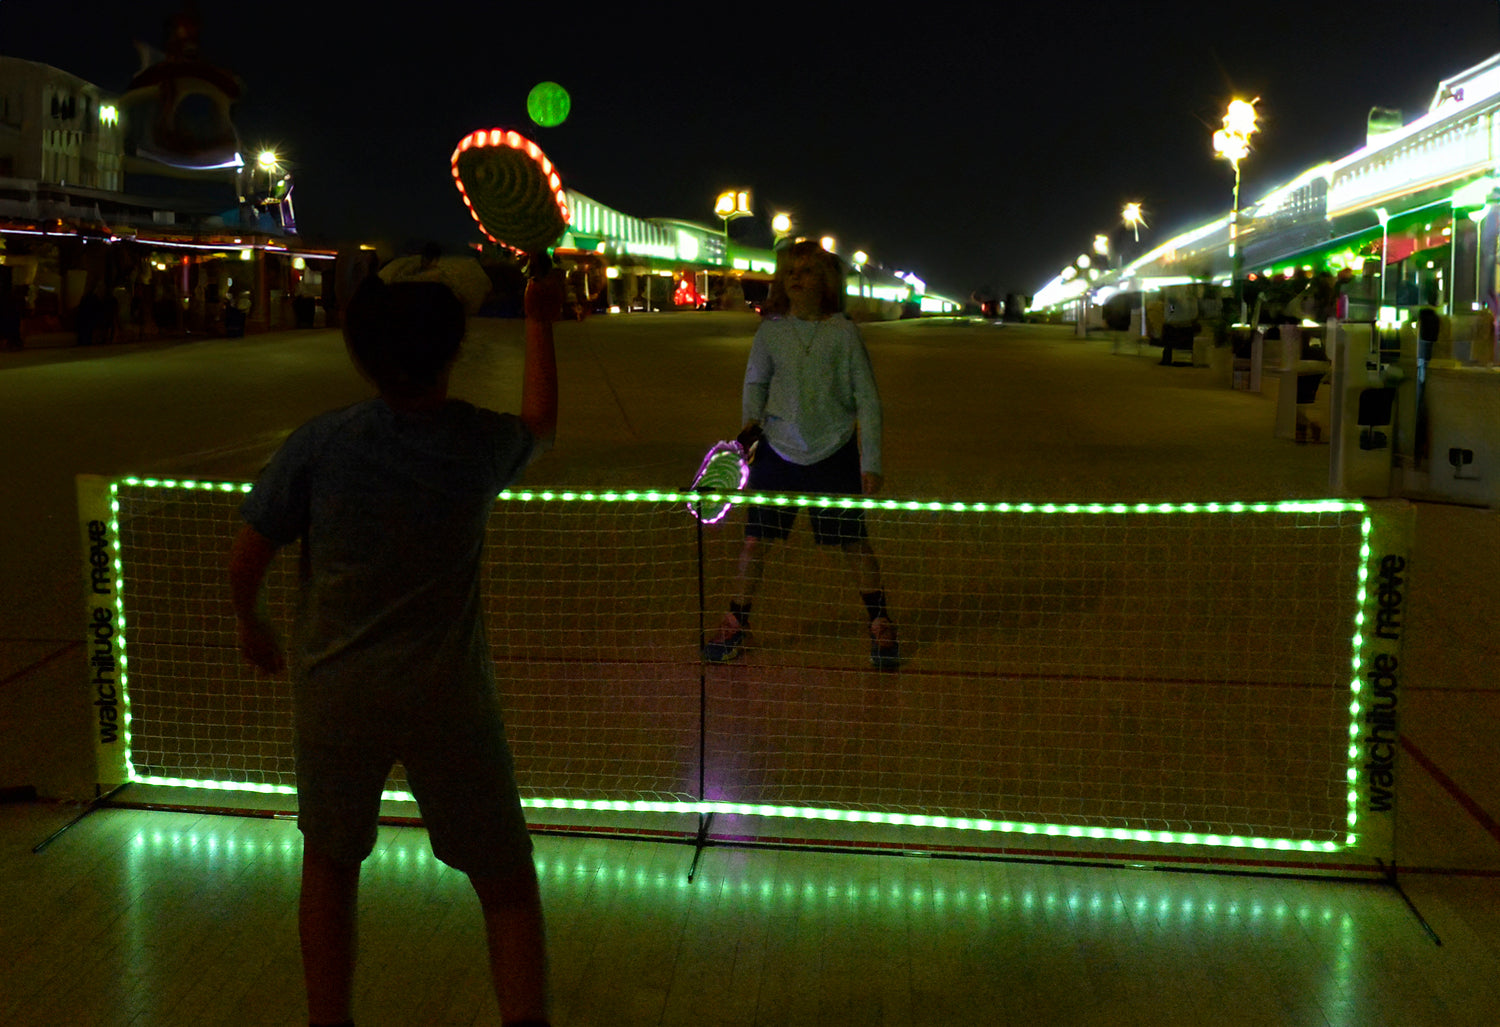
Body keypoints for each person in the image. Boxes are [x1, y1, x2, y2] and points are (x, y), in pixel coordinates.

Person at [228, 263, 563, 1027]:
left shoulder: (321, 442)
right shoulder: (476, 442)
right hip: (448, 699)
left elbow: (249, 551)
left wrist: (252, 620)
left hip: (336, 695)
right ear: (453, 352)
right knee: (506, 881)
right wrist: (541, 320)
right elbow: (541, 426)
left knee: (332, 863)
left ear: (361, 353)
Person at [701, 239, 899, 670]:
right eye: (790, 270)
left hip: (834, 450)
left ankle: (880, 622)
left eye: (806, 271)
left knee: (854, 543)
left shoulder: (843, 332)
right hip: (777, 449)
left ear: (824, 281)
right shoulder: (771, 330)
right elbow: (755, 382)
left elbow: (868, 399)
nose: (795, 277)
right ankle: (737, 620)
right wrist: (750, 428)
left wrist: (872, 462)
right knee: (755, 542)